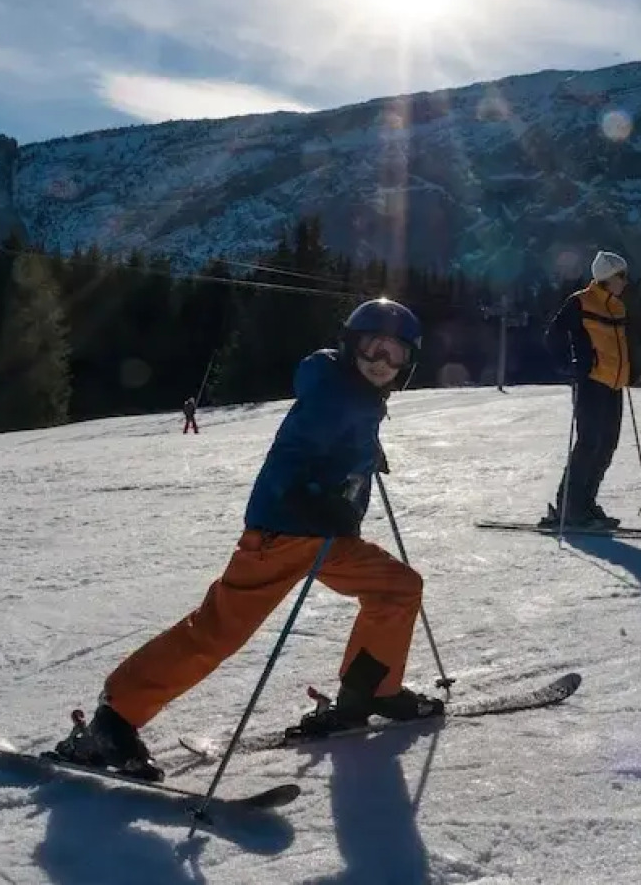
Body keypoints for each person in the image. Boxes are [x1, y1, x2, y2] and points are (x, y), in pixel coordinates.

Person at [55, 298, 444, 780]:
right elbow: (292, 453)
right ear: (351, 346)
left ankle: (372, 690)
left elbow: (332, 439)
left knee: (397, 587)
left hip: (325, 538)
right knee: (218, 630)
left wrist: (362, 455)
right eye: (371, 348)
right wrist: (310, 496)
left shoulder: (355, 394)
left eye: (393, 354)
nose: (380, 362)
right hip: (282, 533)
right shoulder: (334, 397)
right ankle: (113, 720)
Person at [541, 250, 631, 528]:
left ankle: (586, 503)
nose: (625, 282)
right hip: (591, 382)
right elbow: (553, 335)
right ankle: (569, 506)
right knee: (589, 443)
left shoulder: (617, 307)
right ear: (607, 276)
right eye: (621, 276)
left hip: (613, 384)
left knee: (606, 445)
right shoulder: (580, 302)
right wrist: (571, 366)